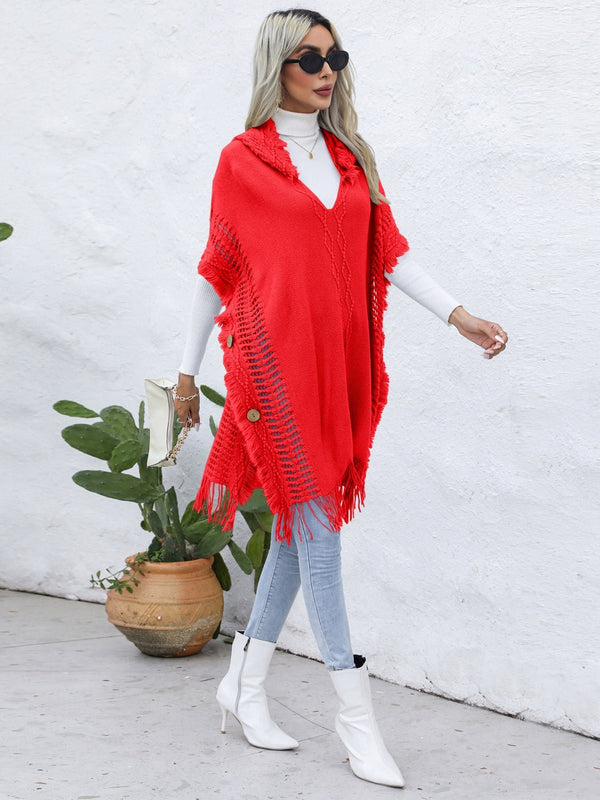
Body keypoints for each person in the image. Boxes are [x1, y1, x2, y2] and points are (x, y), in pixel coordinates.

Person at [174, 8, 508, 789]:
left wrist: (457, 315)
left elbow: (389, 253)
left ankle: (242, 687)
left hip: (341, 374)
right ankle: (357, 722)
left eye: (335, 58)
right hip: (274, 376)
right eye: (308, 59)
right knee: (320, 538)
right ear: (277, 66)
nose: (326, 72)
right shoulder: (243, 161)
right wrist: (186, 375)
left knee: (298, 538)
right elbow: (217, 270)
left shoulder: (352, 158)